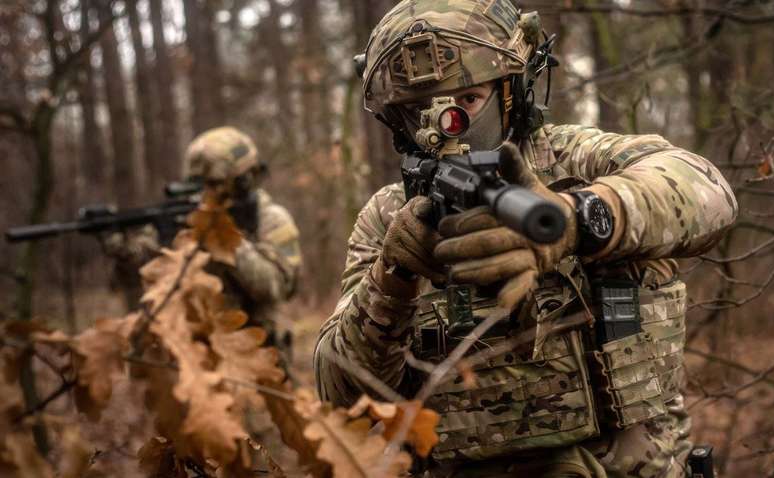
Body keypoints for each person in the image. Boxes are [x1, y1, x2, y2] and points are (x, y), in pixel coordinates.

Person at [314, 1, 737, 476]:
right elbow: (337, 393)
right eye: (418, 110)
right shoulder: (389, 218)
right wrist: (391, 282)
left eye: (468, 99)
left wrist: (579, 217)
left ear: (510, 90)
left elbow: (708, 190)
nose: (446, 123)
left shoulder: (577, 160)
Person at [101, 127, 302, 347]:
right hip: (191, 352)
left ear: (243, 181)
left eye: (215, 183)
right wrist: (125, 254)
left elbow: (277, 287)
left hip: (255, 349)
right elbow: (138, 278)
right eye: (198, 183)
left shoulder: (271, 219)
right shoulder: (183, 217)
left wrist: (225, 238)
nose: (205, 193)